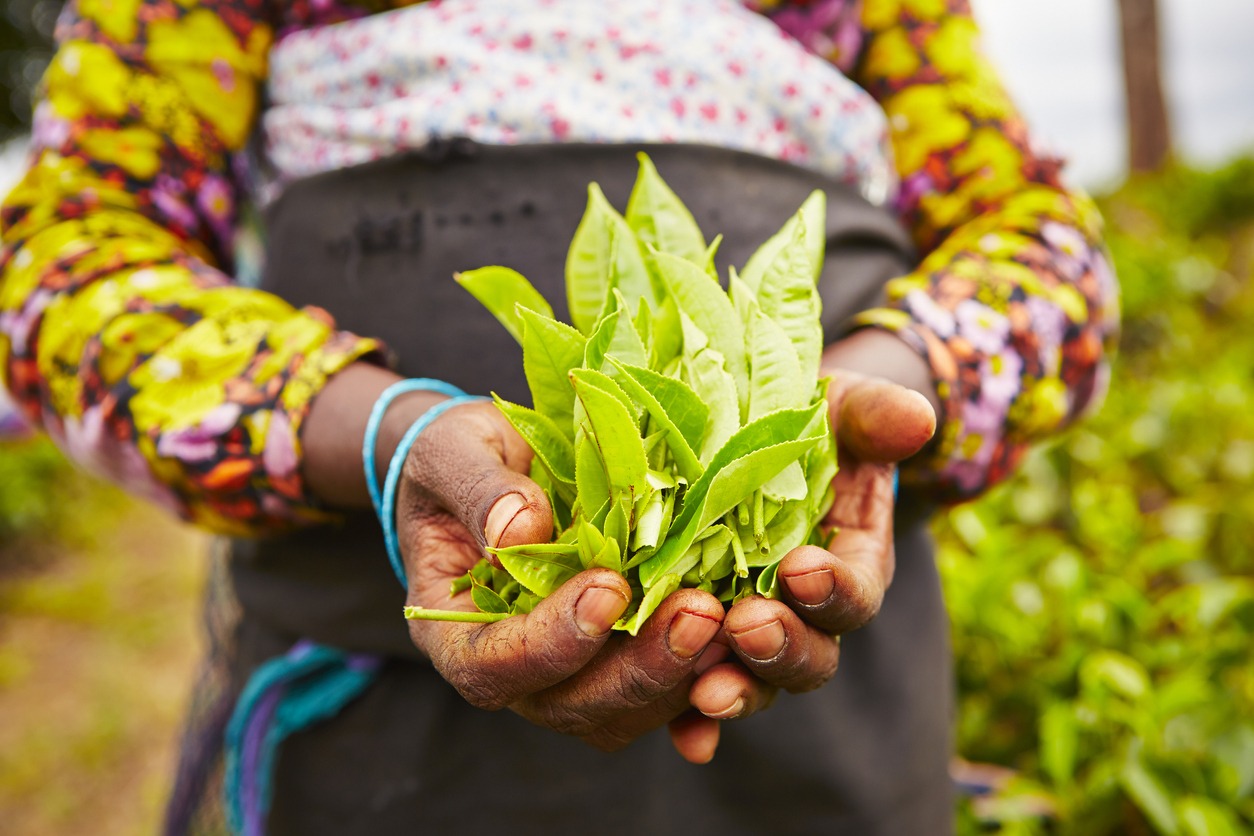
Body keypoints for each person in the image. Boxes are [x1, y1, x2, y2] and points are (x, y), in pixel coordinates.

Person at [0, 0, 1118, 833]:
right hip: (371, 704)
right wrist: (383, 428)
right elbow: (61, 258)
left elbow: (1044, 248)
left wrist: (877, 384)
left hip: (823, 697)